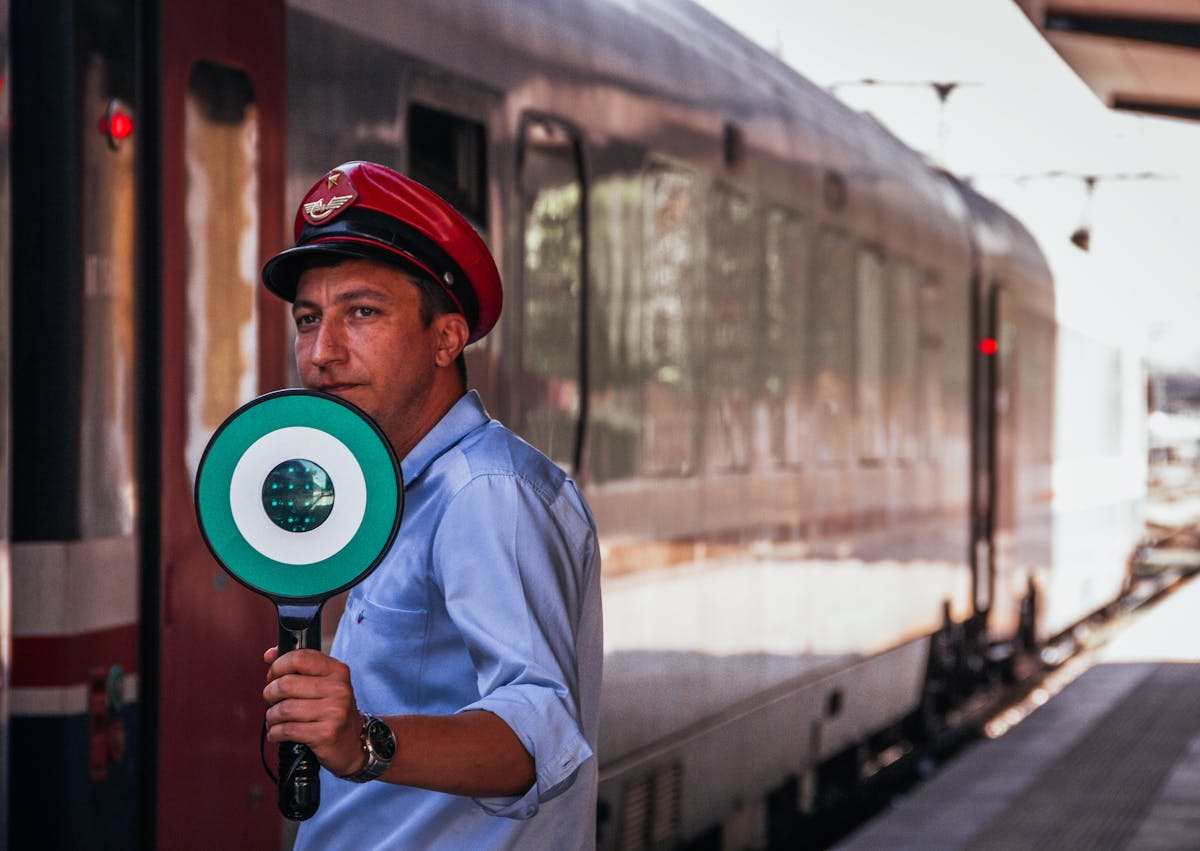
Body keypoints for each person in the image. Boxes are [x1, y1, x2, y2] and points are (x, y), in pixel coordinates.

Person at [259, 161, 602, 849]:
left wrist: (364, 742)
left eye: (361, 312)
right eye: (307, 318)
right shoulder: (393, 485)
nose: (322, 351)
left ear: (447, 338)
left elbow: (538, 732)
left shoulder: (484, 493)